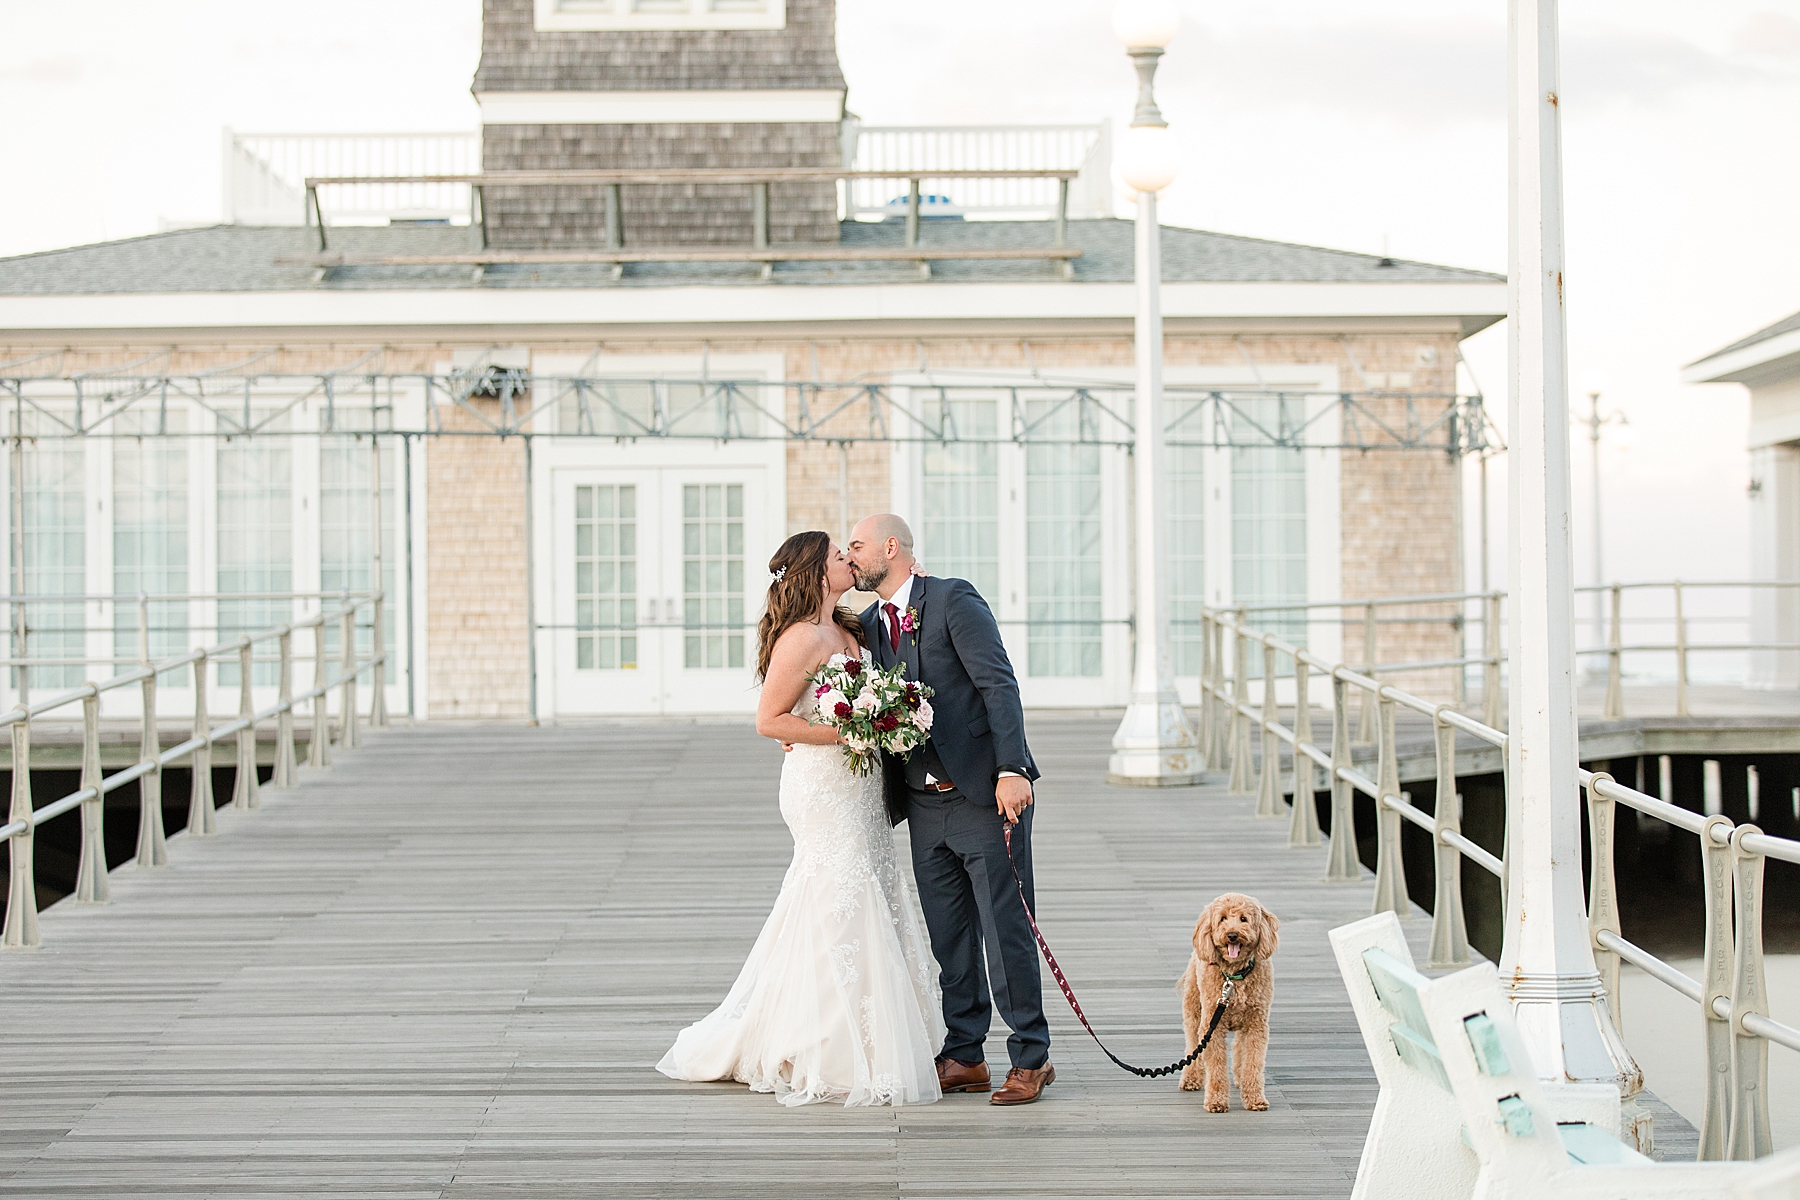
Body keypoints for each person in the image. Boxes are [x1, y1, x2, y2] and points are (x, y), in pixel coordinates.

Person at [656, 531, 943, 1107]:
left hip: (860, 786)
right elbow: (771, 719)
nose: (848, 560)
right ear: (815, 571)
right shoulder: (799, 638)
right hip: (821, 786)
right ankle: (824, 1046)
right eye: (839, 554)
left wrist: (887, 719)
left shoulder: (851, 628)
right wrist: (848, 731)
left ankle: (872, 1033)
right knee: (838, 900)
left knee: (866, 895)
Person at [845, 514, 1053, 1106]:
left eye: (856, 546)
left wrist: (1013, 769)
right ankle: (965, 1053)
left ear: (892, 548)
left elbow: (999, 684)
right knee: (949, 935)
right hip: (919, 802)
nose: (851, 556)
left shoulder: (953, 599)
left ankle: (1031, 1057)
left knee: (1003, 926)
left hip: (985, 795)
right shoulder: (866, 624)